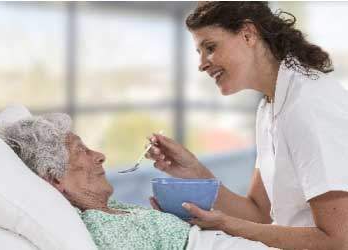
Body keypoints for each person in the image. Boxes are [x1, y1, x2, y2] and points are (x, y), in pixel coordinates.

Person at [146, 2, 348, 250]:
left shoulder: (310, 104)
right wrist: (195, 173)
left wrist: (226, 225)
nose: (201, 64)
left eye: (210, 47)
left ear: (247, 34)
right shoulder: (270, 106)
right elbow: (258, 213)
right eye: (199, 52)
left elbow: (339, 239)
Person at [0, 113, 271, 250]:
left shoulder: (110, 209)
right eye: (82, 150)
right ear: (55, 179)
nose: (100, 155)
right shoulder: (98, 229)